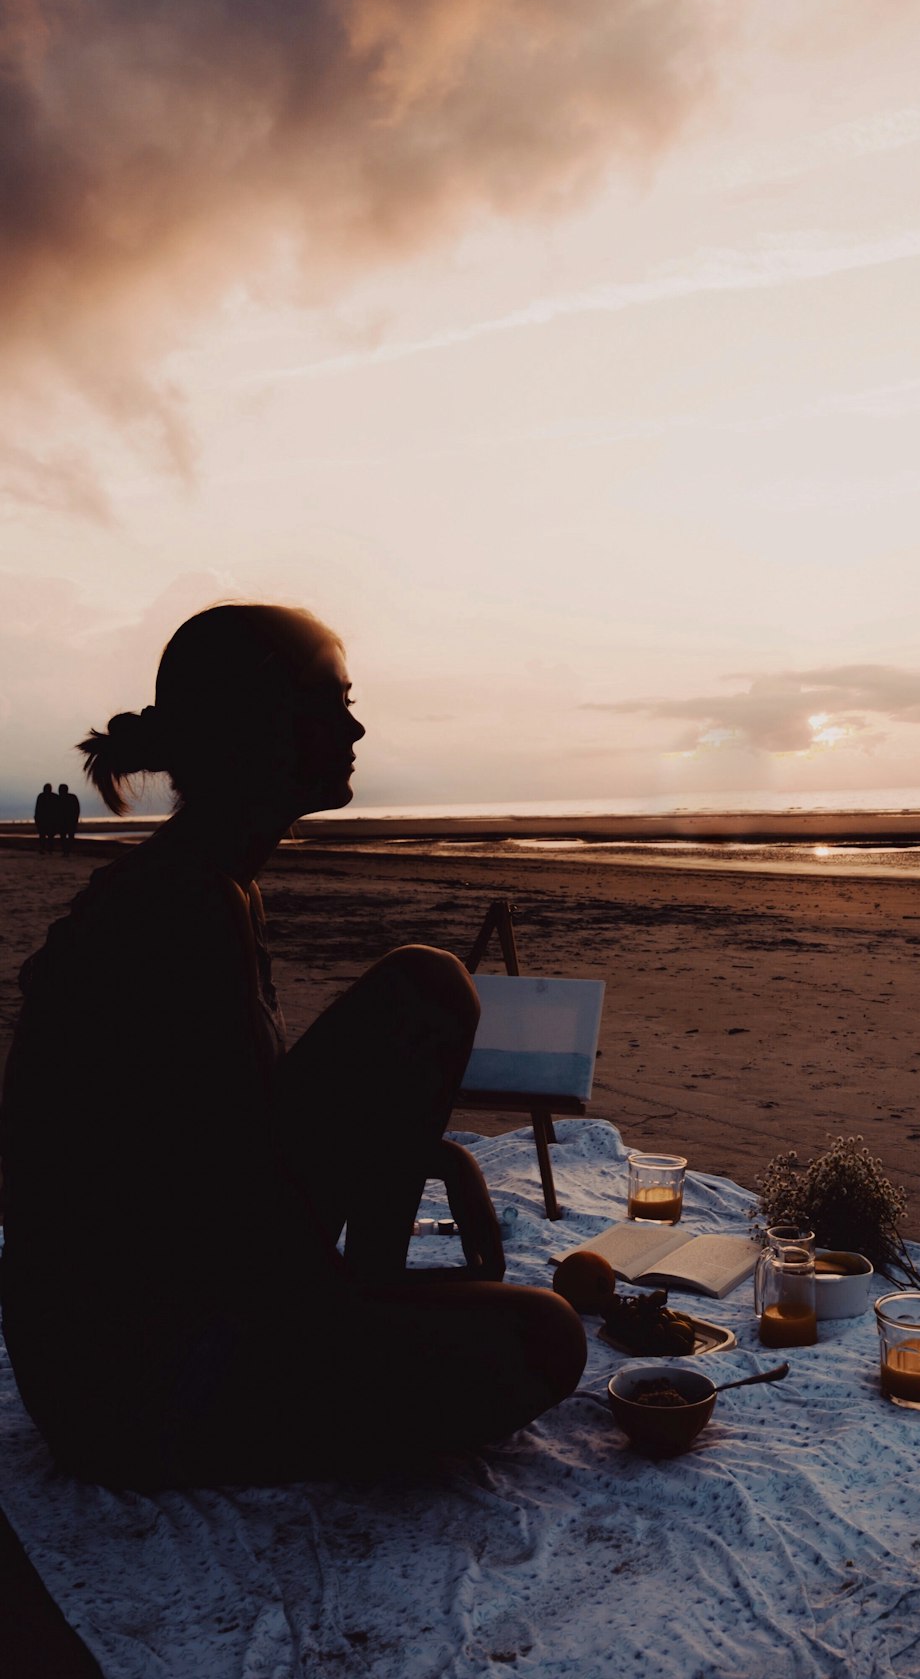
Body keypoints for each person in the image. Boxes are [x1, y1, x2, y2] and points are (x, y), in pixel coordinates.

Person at [0, 605, 585, 1488]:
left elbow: (238, 1145)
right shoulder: (179, 910)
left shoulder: (211, 883)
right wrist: (375, 1322)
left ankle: (362, 1300)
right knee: (543, 1336)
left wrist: (423, 1171)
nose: (355, 725)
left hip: (157, 1326)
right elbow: (228, 1218)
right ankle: (352, 1318)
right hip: (138, 1389)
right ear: (255, 726)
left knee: (427, 988)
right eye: (331, 702)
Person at [32, 783, 58, 854]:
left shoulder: (42, 796)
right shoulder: (53, 796)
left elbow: (37, 808)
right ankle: (48, 849)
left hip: (47, 819)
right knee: (47, 836)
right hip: (46, 819)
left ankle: (47, 849)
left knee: (46, 835)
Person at [55, 784, 80, 855]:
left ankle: (66, 851)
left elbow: (55, 811)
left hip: (66, 821)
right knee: (68, 836)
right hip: (68, 821)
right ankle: (67, 850)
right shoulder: (72, 797)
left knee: (64, 837)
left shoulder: (59, 799)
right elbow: (77, 809)